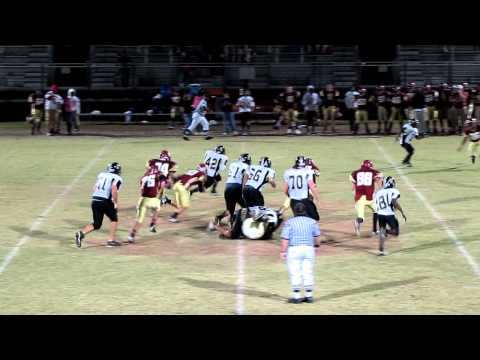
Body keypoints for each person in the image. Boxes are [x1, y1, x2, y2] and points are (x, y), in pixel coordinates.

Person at [280, 202, 321, 304]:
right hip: (308, 249)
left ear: (294, 211)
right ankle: (309, 296)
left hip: (294, 249)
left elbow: (285, 239)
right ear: (305, 210)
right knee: (308, 271)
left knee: (295, 272)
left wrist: (283, 251)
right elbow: (317, 238)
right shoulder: (312, 222)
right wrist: (316, 246)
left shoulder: (289, 223)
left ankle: (297, 296)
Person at [75, 162, 123, 248]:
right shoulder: (117, 178)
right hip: (105, 200)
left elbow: (95, 187)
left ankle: (81, 233)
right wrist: (115, 203)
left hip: (95, 200)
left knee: (97, 224)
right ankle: (111, 240)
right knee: (114, 219)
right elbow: (114, 189)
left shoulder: (101, 175)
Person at [127, 166, 168, 244]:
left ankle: (131, 236)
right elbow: (163, 184)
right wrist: (160, 192)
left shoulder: (144, 177)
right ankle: (152, 225)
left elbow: (142, 188)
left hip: (143, 199)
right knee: (157, 208)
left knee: (139, 220)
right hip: (153, 199)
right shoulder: (159, 175)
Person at [374, 176, 407, 256]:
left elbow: (377, 204)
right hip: (389, 214)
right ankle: (384, 231)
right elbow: (393, 201)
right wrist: (401, 211)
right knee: (395, 232)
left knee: (382, 230)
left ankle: (381, 251)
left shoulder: (379, 192)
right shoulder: (394, 190)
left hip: (380, 214)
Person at [350, 160, 383, 236]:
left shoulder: (355, 172)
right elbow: (379, 178)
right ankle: (373, 230)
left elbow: (353, 185)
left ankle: (360, 223)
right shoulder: (373, 172)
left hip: (359, 198)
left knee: (362, 218)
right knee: (377, 211)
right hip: (369, 197)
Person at [283, 155, 320, 220]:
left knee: (298, 217)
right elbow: (317, 174)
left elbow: (285, 190)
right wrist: (317, 198)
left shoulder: (288, 172)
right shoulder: (308, 170)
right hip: (305, 198)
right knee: (314, 217)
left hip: (293, 199)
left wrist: (289, 195)